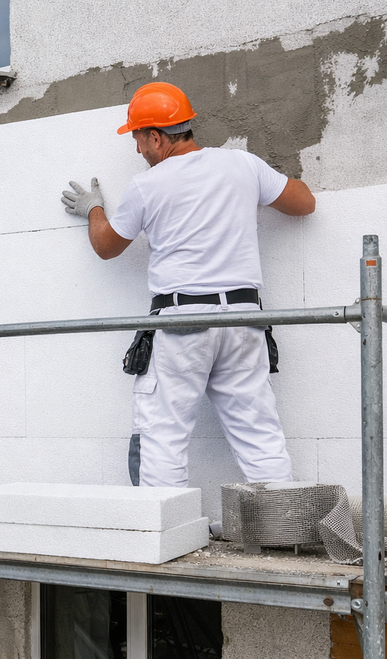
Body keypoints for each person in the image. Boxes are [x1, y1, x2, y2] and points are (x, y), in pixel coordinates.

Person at [61, 82, 316, 489]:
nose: (138, 150)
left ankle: (165, 537)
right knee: (259, 435)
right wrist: (257, 186)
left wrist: (93, 209)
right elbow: (304, 203)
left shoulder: (148, 185)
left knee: (161, 435)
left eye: (138, 139)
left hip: (182, 323)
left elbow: (106, 247)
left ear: (157, 137)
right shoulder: (242, 164)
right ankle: (281, 529)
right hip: (244, 320)